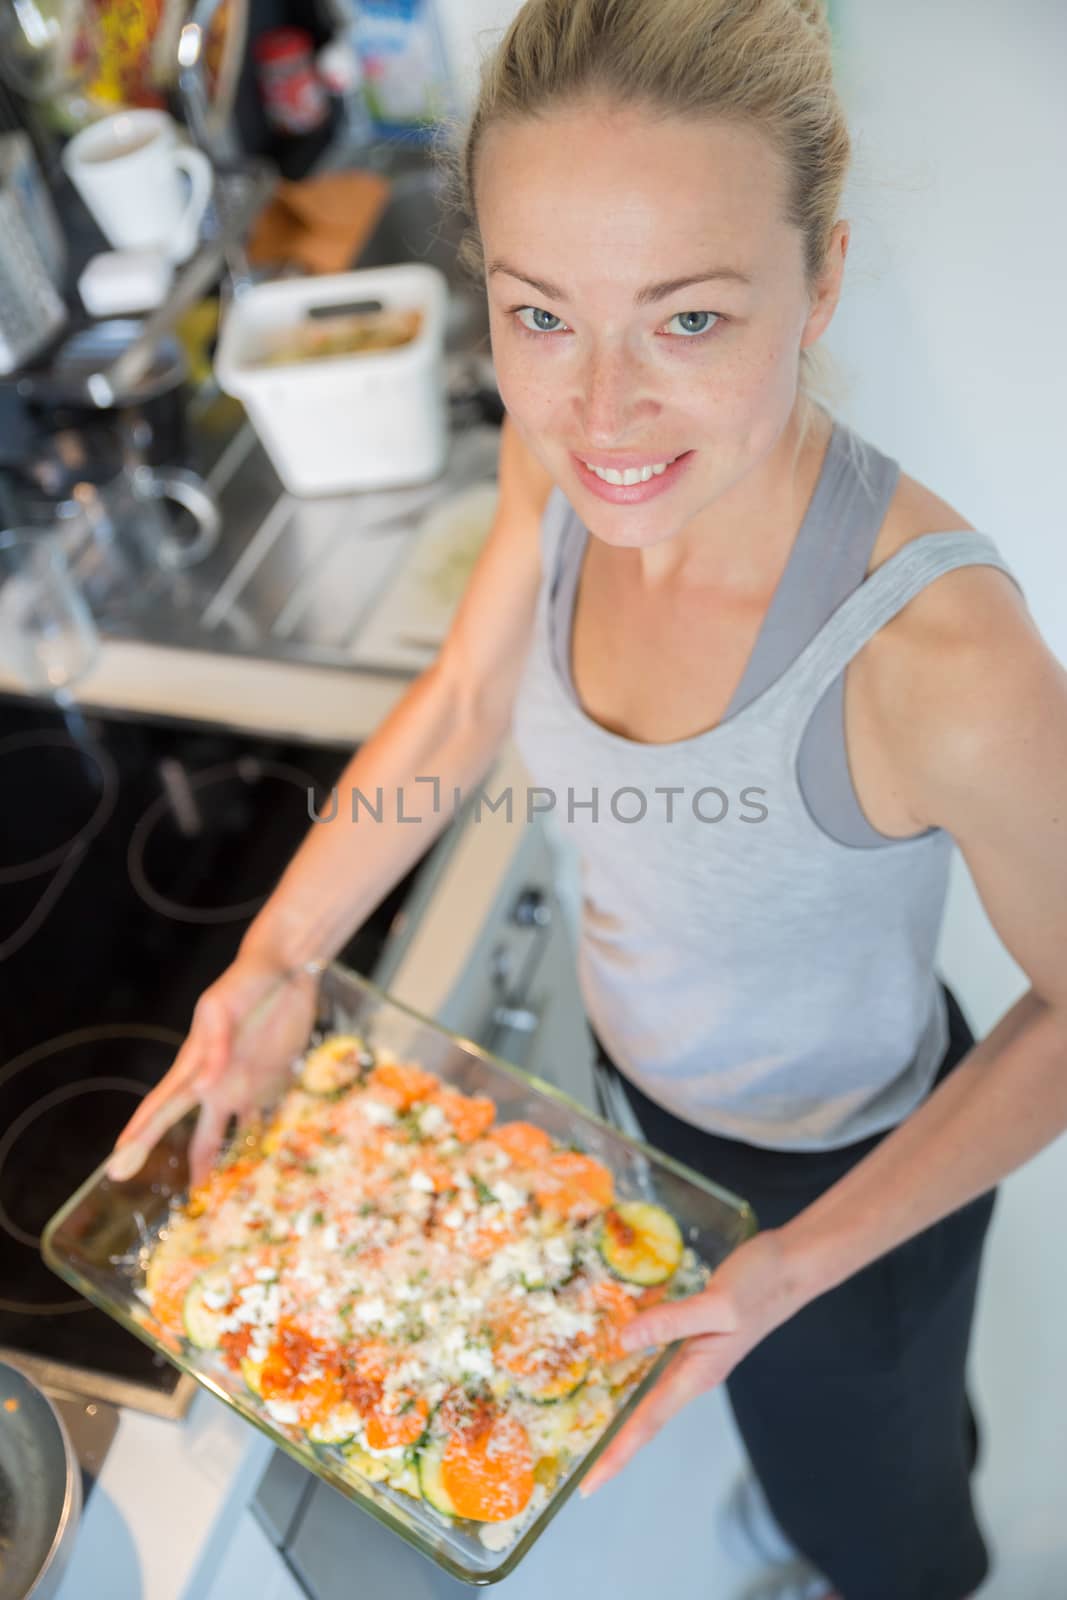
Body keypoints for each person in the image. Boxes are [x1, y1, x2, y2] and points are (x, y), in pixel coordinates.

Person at [109, 2, 1067, 1596]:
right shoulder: (557, 463)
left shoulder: (931, 647)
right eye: (542, 316)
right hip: (648, 1117)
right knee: (792, 1430)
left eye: (687, 321)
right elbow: (472, 698)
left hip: (845, 1181)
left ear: (821, 277)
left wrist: (791, 1275)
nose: (603, 413)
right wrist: (271, 962)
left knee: (888, 1509)